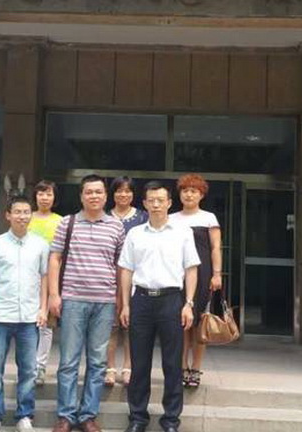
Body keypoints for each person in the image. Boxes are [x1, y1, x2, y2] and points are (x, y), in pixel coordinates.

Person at [119, 181, 200, 432]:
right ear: (144, 204)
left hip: (171, 301)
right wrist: (125, 304)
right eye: (151, 200)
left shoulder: (182, 232)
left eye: (160, 200)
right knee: (139, 363)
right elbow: (126, 270)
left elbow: (191, 269)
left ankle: (171, 420)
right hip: (141, 300)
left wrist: (188, 303)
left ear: (169, 203)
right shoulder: (135, 234)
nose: (156, 204)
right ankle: (137, 418)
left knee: (172, 364)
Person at [48, 174, 125, 432]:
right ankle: (66, 416)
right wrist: (54, 295)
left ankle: (88, 416)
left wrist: (120, 300)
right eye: (89, 192)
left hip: (105, 302)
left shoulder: (116, 226)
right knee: (68, 361)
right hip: (73, 299)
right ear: (81, 196)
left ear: (106, 196)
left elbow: (121, 266)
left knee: (98, 362)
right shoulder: (68, 223)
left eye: (98, 192)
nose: (94, 196)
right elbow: (55, 259)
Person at [0, 196, 50, 432]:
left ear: (31, 215)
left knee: (28, 371)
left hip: (29, 318)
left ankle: (25, 415)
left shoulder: (41, 245)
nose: (22, 216)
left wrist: (43, 308)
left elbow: (44, 279)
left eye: (26, 212)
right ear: (8, 215)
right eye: (17, 212)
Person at [170, 174, 222, 389]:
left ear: (201, 195)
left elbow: (215, 248)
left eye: (194, 191)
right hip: (176, 273)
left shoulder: (209, 217)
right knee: (180, 323)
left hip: (202, 273)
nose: (189, 194)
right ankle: (182, 367)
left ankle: (196, 368)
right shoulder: (171, 218)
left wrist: (217, 274)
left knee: (200, 324)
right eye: (185, 190)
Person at [105, 176, 148, 387]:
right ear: (112, 194)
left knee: (132, 326)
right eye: (119, 190)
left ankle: (128, 367)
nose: (123, 194)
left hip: (136, 277)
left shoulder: (143, 217)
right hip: (107, 277)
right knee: (111, 325)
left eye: (128, 191)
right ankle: (110, 368)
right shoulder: (104, 217)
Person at [28, 180, 63, 386]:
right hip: (27, 277)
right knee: (26, 323)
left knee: (46, 324)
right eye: (41, 194)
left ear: (54, 197)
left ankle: (40, 366)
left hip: (50, 278)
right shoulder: (27, 217)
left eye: (49, 194)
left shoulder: (61, 221)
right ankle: (27, 365)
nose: (44, 198)